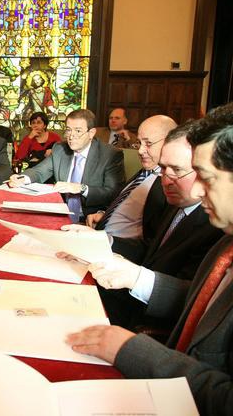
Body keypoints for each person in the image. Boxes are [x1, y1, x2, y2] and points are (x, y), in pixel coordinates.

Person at [65, 113, 233, 416]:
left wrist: (131, 350)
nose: (197, 191)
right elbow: (192, 295)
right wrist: (104, 244)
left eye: (206, 177)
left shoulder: (215, 230)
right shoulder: (224, 241)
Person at [85, 122, 223, 329]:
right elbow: (150, 251)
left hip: (150, 323)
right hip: (130, 300)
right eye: (164, 169)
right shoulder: (173, 201)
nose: (165, 180)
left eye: (177, 170)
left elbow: (193, 302)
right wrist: (104, 240)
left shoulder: (216, 226)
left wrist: (136, 277)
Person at [9, 109, 125, 222]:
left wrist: (81, 188)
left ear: (91, 133)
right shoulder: (60, 149)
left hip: (90, 218)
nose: (71, 136)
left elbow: (113, 193)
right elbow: (39, 171)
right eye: (69, 130)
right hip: (59, 214)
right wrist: (22, 178)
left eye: (78, 131)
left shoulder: (109, 155)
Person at [85, 115, 177, 238]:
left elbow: (152, 240)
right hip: (99, 234)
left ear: (169, 143)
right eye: (139, 143)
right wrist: (103, 215)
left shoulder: (169, 184)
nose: (140, 151)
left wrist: (106, 240)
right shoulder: (144, 173)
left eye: (148, 143)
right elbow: (126, 209)